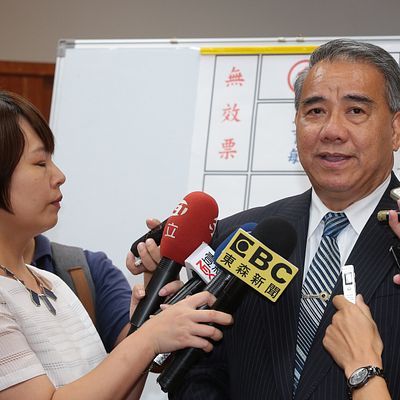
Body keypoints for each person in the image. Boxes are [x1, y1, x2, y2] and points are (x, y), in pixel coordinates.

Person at [167, 38, 400, 399]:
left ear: (396, 129)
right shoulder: (239, 236)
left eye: (355, 111)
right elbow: (197, 372)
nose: (332, 130)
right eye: (315, 111)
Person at [0, 90, 233, 400]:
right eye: (40, 163)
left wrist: (143, 329)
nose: (59, 176)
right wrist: (149, 338)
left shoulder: (53, 284)